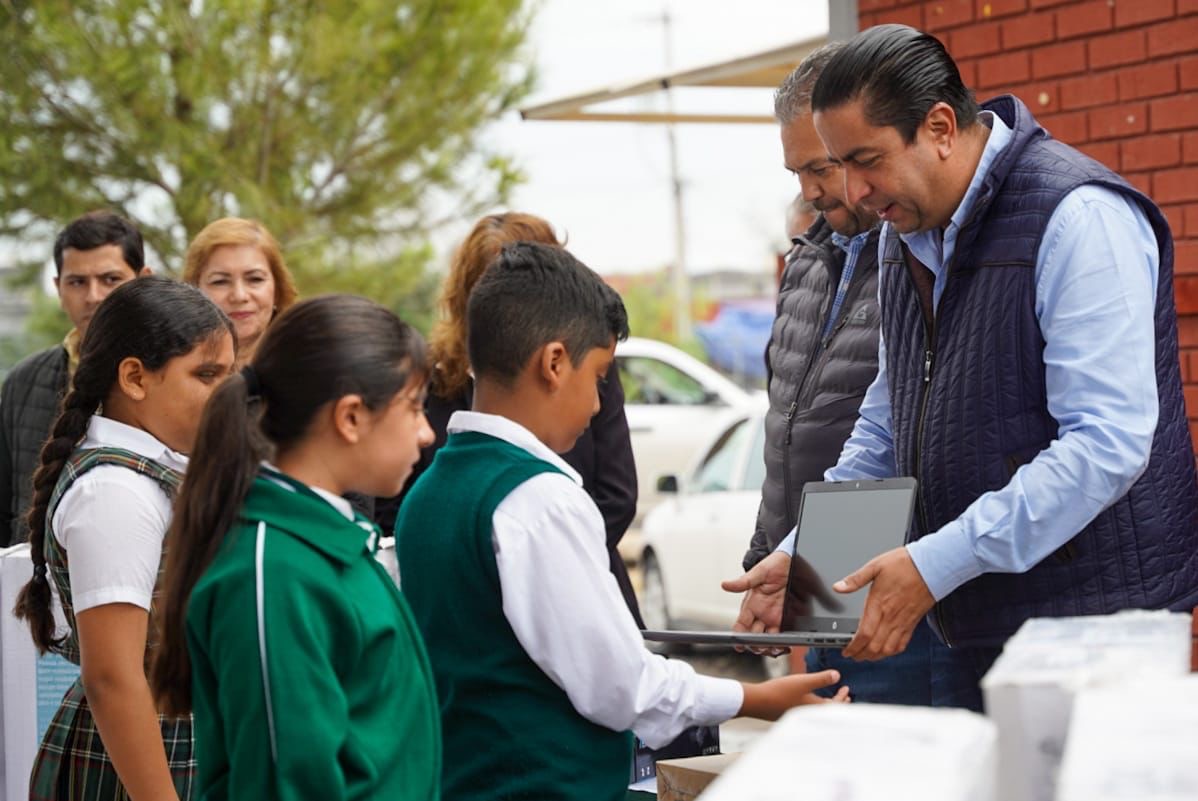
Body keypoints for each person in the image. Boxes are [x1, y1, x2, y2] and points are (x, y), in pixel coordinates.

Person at [733, 24, 1198, 711]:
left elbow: (1108, 444)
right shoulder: (901, 236)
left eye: (867, 159)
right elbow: (885, 427)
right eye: (839, 165)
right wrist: (810, 560)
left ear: (941, 126)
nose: (855, 193)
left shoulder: (1079, 217)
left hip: (1096, 629)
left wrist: (933, 562)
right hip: (979, 622)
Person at [397, 241, 847, 801]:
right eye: (601, 375)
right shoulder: (538, 499)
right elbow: (622, 686)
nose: (596, 404)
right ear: (555, 362)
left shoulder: (427, 495)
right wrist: (761, 699)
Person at [724, 41, 946, 703]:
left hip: (896, 591)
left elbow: (894, 436)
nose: (819, 191)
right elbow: (786, 434)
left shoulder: (921, 262)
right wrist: (779, 562)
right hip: (814, 578)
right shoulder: (804, 265)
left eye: (827, 166)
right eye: (800, 173)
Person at [152, 295, 440, 801]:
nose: (426, 431)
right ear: (350, 417)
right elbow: (284, 783)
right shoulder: (272, 571)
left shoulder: (328, 541)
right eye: (414, 407)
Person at [14, 276, 235, 801]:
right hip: (141, 761)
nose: (226, 394)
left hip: (175, 739)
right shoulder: (115, 491)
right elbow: (112, 677)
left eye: (230, 375)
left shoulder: (152, 467)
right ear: (135, 377)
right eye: (206, 375)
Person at [378, 211, 642, 624]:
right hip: (464, 612)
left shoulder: (589, 372)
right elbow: (396, 504)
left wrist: (548, 564)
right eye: (495, 281)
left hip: (579, 596)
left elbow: (617, 495)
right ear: (469, 296)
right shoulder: (427, 382)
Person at [1, 211, 148, 547]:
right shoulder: (23, 381)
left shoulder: (171, 373)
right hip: (35, 582)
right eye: (77, 282)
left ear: (143, 280)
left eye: (111, 279)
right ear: (58, 287)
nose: (94, 296)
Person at [183, 217, 298, 367]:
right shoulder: (167, 373)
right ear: (193, 291)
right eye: (220, 282)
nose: (239, 296)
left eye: (255, 279)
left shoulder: (314, 367)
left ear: (277, 290)